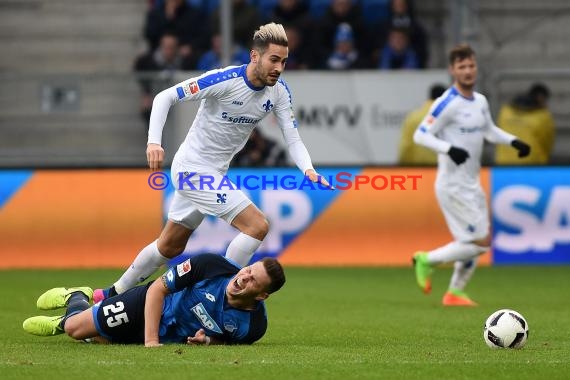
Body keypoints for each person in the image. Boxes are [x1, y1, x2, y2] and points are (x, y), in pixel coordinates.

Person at [93, 22, 329, 303]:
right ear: (255, 56)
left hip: (214, 173)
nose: (279, 67)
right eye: (274, 59)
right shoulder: (224, 80)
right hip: (192, 171)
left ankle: (110, 294)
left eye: (284, 62)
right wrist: (154, 141)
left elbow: (292, 137)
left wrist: (308, 169)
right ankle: (218, 298)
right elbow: (164, 96)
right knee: (257, 226)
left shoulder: (278, 92)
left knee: (169, 246)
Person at [412, 44, 531, 306]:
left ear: (476, 67)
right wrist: (449, 148)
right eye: (462, 67)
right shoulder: (447, 103)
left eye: (471, 66)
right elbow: (420, 134)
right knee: (481, 242)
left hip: (471, 182)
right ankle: (426, 260)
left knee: (472, 241)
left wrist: (513, 142)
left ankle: (454, 293)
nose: (467, 71)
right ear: (452, 70)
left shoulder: (480, 101)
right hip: (452, 184)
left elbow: (489, 130)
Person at [22, 254, 285, 346]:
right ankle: (77, 296)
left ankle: (77, 316)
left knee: (102, 339)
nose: (243, 278)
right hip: (147, 305)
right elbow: (158, 290)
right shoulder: (210, 265)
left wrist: (206, 341)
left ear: (262, 296)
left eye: (253, 281)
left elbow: (225, 341)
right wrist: (150, 341)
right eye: (248, 270)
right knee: (74, 330)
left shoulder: (253, 327)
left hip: (170, 334)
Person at [134, 33, 196, 127]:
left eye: (171, 47)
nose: (168, 51)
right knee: (148, 107)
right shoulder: (148, 61)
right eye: (166, 47)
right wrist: (146, 92)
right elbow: (140, 71)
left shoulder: (184, 61)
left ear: (176, 48)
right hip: (156, 96)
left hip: (179, 101)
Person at [495, 83, 555, 164]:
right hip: (530, 164)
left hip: (502, 162)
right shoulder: (543, 116)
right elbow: (547, 143)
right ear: (541, 98)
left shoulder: (505, 111)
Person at [398, 83, 446, 165]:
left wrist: (403, 167)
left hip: (419, 170)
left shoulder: (413, 118)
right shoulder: (450, 119)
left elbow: (405, 147)